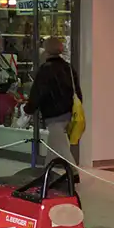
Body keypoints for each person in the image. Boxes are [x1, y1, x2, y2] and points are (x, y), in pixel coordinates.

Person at [24, 36, 82, 172]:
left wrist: (28, 109)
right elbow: (77, 90)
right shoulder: (68, 67)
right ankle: (47, 171)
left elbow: (37, 93)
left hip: (54, 114)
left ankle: (74, 173)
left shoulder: (45, 69)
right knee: (54, 144)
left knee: (61, 147)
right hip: (68, 112)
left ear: (47, 50)